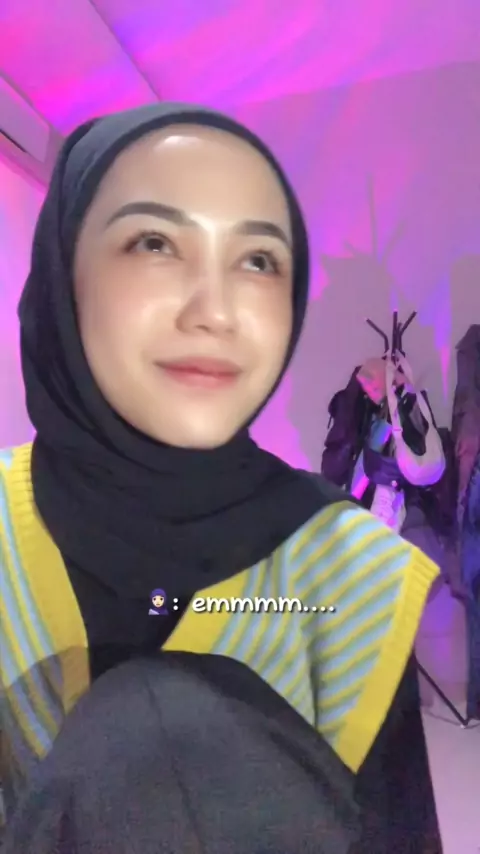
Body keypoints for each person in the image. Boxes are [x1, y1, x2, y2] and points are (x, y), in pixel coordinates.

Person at [0, 103, 441, 850]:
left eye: (259, 260)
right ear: (62, 272)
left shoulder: (351, 573)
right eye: (153, 242)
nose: (217, 311)